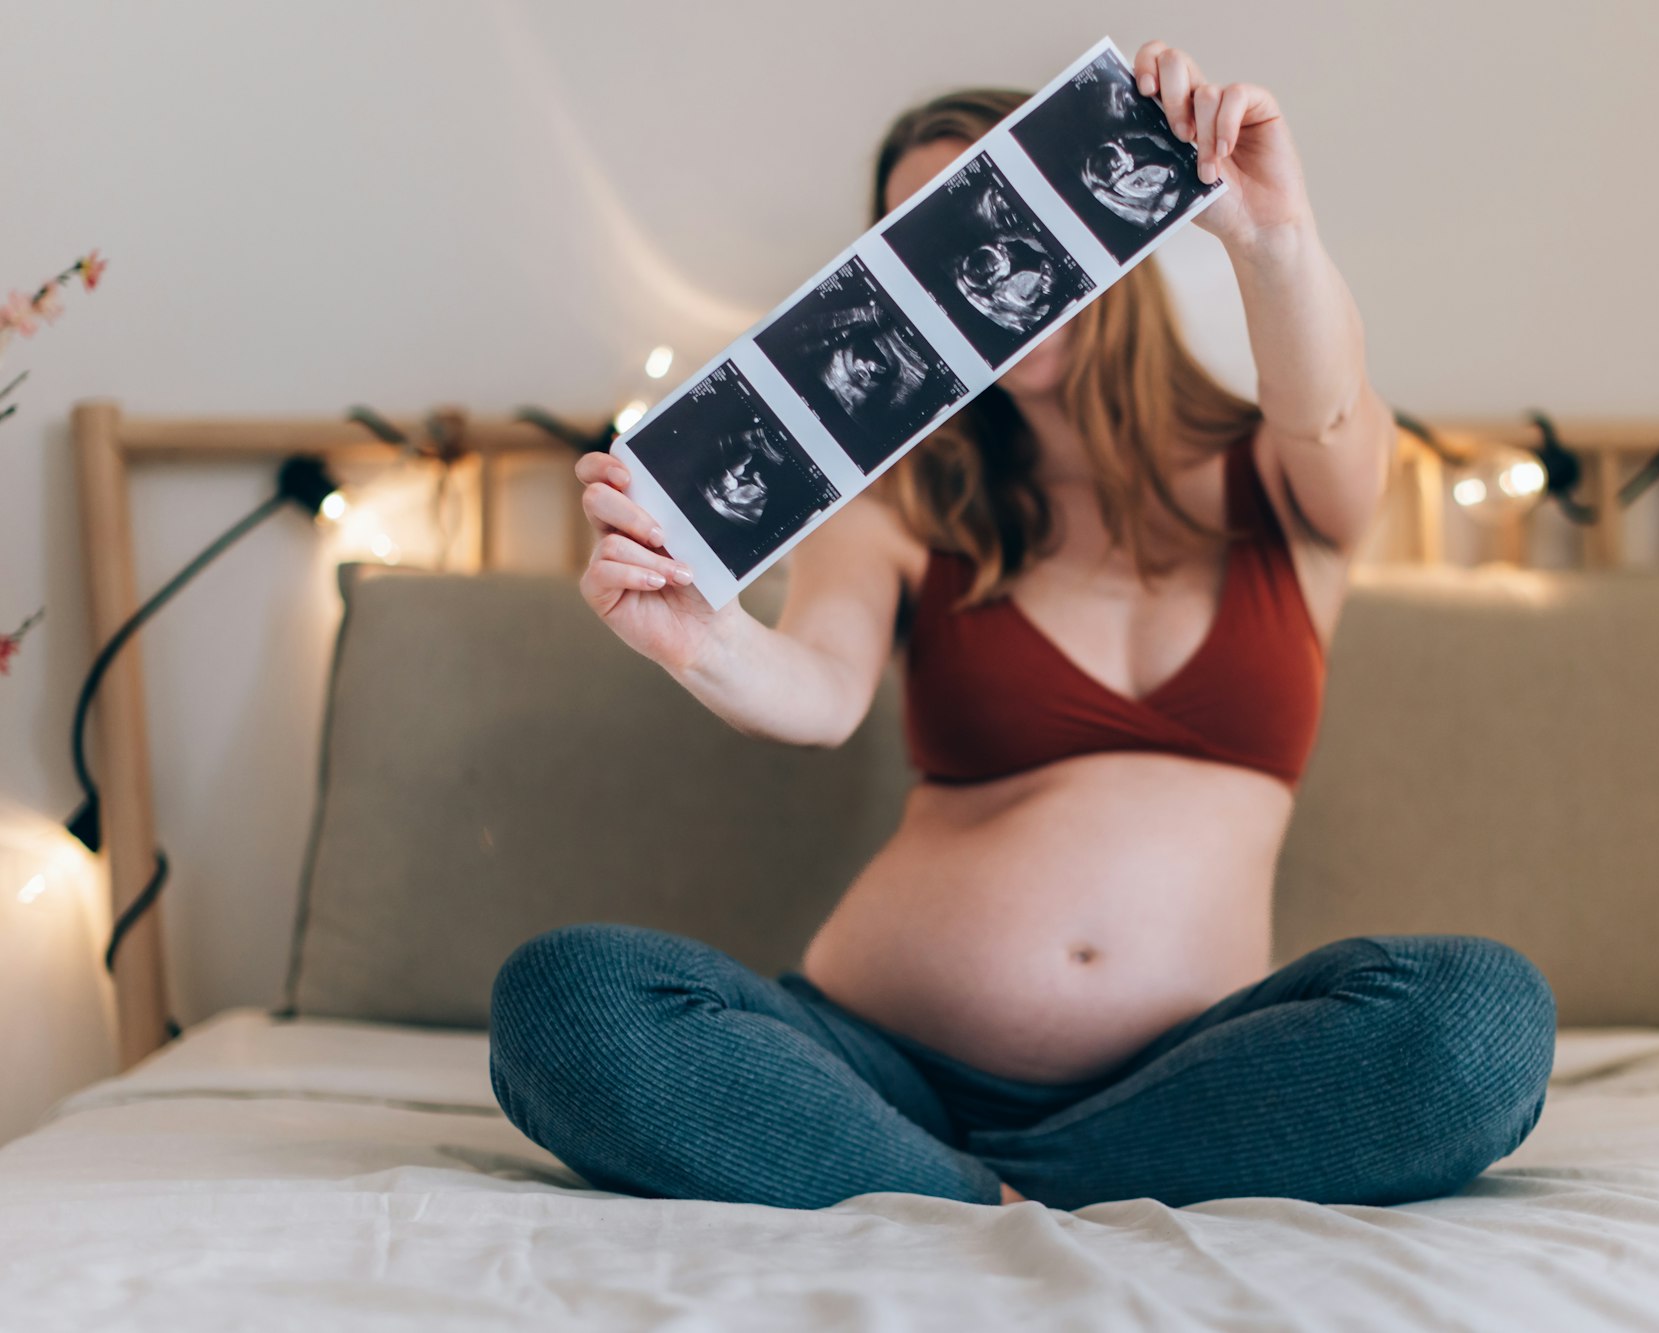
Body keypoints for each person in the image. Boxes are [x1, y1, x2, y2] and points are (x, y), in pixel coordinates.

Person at [489, 40, 1557, 1212]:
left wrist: (1270, 241)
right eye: (920, 249)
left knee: (1480, 1022)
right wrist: (708, 642)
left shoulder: (1281, 479)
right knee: (571, 998)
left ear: (1095, 206)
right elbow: (824, 689)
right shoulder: (902, 500)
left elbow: (1331, 402)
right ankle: (958, 1180)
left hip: (1190, 1078)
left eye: (988, 216)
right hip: (878, 1065)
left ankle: (957, 1195)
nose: (974, 271)